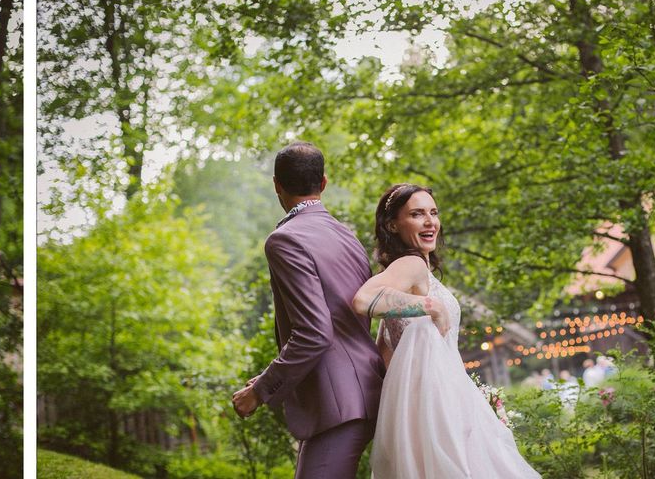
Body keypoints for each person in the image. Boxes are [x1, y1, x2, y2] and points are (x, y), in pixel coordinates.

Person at [353, 184, 539, 478]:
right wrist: (430, 305)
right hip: (436, 409)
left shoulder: (417, 270)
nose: (430, 222)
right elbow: (363, 300)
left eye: (433, 212)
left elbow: (386, 352)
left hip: (442, 403)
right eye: (417, 214)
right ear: (392, 224)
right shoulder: (411, 264)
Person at [231, 142, 385, 478]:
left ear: (277, 185)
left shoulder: (285, 239)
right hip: (364, 392)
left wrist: (259, 392)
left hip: (338, 404)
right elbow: (344, 323)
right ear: (324, 183)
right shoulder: (348, 236)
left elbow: (314, 333)